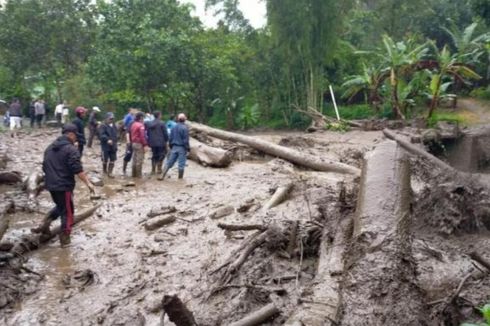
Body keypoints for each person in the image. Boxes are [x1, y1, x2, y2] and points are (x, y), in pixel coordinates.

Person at [31, 123, 95, 246]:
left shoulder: (49, 148)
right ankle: (65, 241)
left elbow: (45, 166)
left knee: (61, 206)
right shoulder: (71, 149)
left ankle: (45, 223)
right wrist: (88, 183)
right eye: (76, 135)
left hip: (51, 184)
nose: (76, 138)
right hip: (63, 185)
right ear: (71, 135)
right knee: (68, 212)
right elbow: (77, 168)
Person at [158, 113, 190, 180]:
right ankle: (180, 179)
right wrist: (188, 149)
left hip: (174, 147)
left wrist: (171, 146)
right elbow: (186, 140)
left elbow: (170, 138)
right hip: (182, 148)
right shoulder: (185, 128)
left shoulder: (174, 127)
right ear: (185, 119)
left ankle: (162, 175)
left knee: (169, 162)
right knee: (181, 164)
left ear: (178, 119)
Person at [98, 112, 118, 178]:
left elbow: (116, 134)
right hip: (105, 146)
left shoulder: (114, 125)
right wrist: (107, 139)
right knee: (105, 159)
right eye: (110, 119)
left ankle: (110, 172)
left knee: (113, 159)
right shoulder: (103, 125)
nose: (111, 120)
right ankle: (104, 171)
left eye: (112, 119)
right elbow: (101, 135)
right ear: (106, 118)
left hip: (113, 145)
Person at [129, 112, 148, 178]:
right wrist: (145, 144)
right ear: (141, 118)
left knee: (134, 159)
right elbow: (142, 136)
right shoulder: (141, 125)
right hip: (139, 144)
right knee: (139, 160)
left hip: (133, 143)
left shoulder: (133, 124)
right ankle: (139, 176)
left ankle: (133, 174)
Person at [122, 109, 135, 175]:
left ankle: (134, 172)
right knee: (128, 155)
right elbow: (127, 132)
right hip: (130, 141)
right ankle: (124, 170)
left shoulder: (141, 123)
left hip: (136, 142)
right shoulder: (131, 121)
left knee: (136, 157)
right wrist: (128, 141)